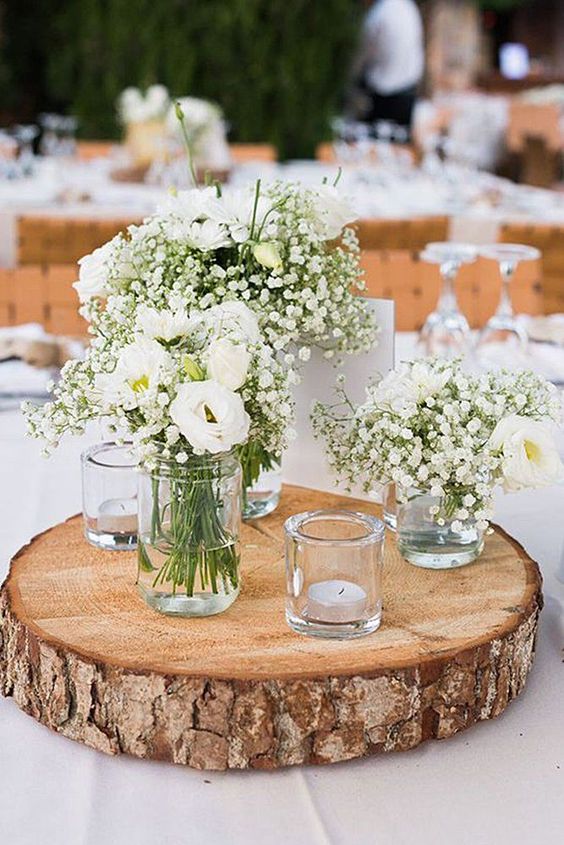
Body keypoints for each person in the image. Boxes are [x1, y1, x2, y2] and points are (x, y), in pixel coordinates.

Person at [349, 0, 425, 134]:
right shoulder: (408, 6)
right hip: (407, 93)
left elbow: (362, 56)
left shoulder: (377, 15)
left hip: (383, 97)